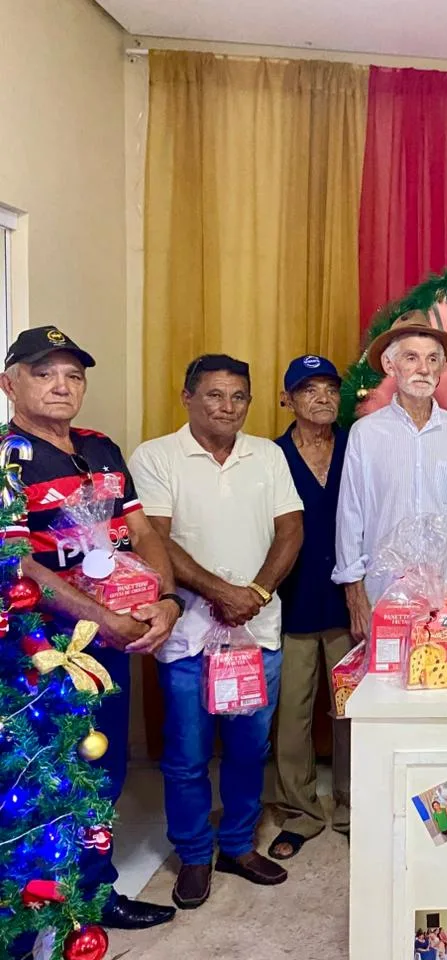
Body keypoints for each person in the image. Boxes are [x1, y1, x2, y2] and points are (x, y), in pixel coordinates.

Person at [0, 326, 181, 930]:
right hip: (40, 651)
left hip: (111, 643)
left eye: (73, 375)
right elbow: (19, 563)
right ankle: (36, 912)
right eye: (44, 373)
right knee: (43, 778)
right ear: (9, 384)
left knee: (101, 770)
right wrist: (103, 617)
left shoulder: (101, 447)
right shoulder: (6, 459)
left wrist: (165, 601)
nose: (62, 385)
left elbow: (144, 532)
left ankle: (94, 894)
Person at [129, 354, 304, 908]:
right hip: (186, 636)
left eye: (238, 397)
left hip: (256, 635)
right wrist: (221, 593)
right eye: (214, 395)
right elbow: (155, 539)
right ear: (187, 397)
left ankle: (237, 845)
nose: (228, 407)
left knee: (250, 749)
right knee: (186, 755)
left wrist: (255, 594)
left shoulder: (268, 455)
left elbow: (290, 530)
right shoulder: (156, 456)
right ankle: (193, 853)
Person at [334, 312, 447, 651]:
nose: (423, 368)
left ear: (442, 367)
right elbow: (350, 517)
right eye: (411, 358)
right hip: (384, 595)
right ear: (390, 366)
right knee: (386, 680)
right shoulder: (365, 434)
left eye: (432, 359)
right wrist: (355, 594)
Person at [268, 355, 352, 862]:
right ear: (288, 399)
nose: (322, 398)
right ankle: (300, 810)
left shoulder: (356, 446)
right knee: (293, 710)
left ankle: (351, 805)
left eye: (330, 389)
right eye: (309, 390)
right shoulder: (271, 456)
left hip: (349, 600)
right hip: (293, 601)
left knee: (351, 709)